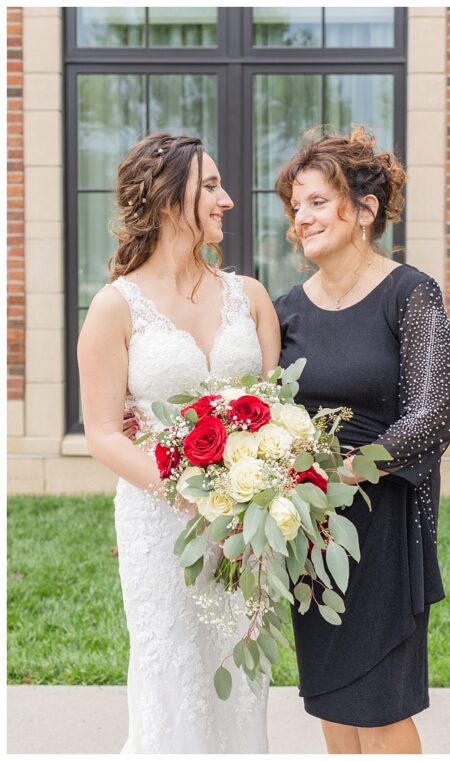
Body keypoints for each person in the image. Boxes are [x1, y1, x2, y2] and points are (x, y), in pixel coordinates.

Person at [78, 133, 280, 752]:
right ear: (170, 202)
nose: (228, 201)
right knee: (172, 675)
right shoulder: (116, 308)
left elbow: (277, 414)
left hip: (247, 522)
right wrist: (190, 495)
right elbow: (104, 432)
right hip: (162, 520)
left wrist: (256, 497)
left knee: (243, 676)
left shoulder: (250, 296)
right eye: (212, 187)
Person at [272, 127, 450, 754]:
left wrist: (352, 468)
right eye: (296, 206)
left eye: (318, 202)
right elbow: (258, 409)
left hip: (382, 524)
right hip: (310, 532)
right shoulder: (285, 311)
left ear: (365, 208)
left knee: (379, 705)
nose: (302, 218)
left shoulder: (410, 294)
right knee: (332, 701)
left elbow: (434, 414)